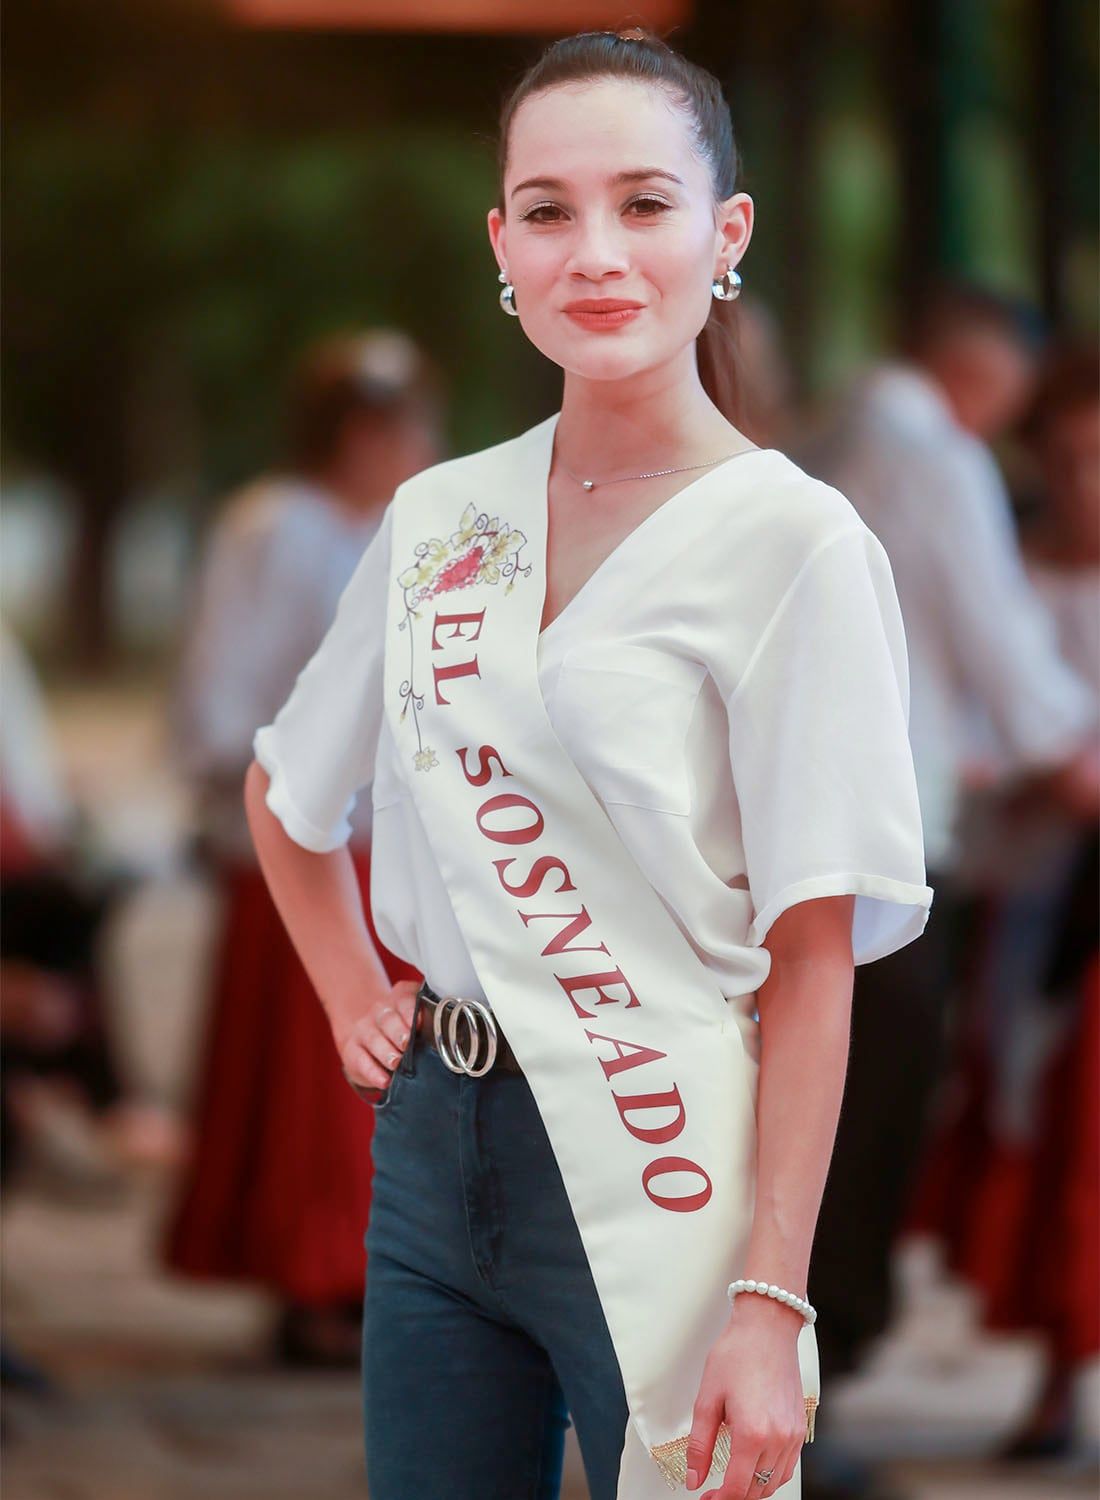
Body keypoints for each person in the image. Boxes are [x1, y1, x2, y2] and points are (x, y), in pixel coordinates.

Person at [244, 28, 931, 1500]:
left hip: (668, 1155)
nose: (595, 252)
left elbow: (818, 955)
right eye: (548, 210)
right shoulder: (440, 515)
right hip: (439, 1145)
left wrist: (774, 1298)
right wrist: (354, 992)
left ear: (725, 232)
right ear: (502, 242)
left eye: (644, 202)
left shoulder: (795, 546)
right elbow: (289, 795)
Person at [788, 287, 1098, 1492]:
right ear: (991, 375)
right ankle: (803, 1400)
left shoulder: (827, 435)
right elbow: (1002, 656)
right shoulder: (927, 454)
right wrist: (1067, 756)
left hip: (809, 831)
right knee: (855, 1125)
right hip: (874, 851)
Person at [159, 331, 440, 1365]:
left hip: (385, 843)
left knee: (368, 1082)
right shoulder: (276, 529)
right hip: (308, 836)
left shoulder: (407, 528)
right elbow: (224, 690)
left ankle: (366, 1273)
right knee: (314, 1084)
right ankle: (312, 1272)